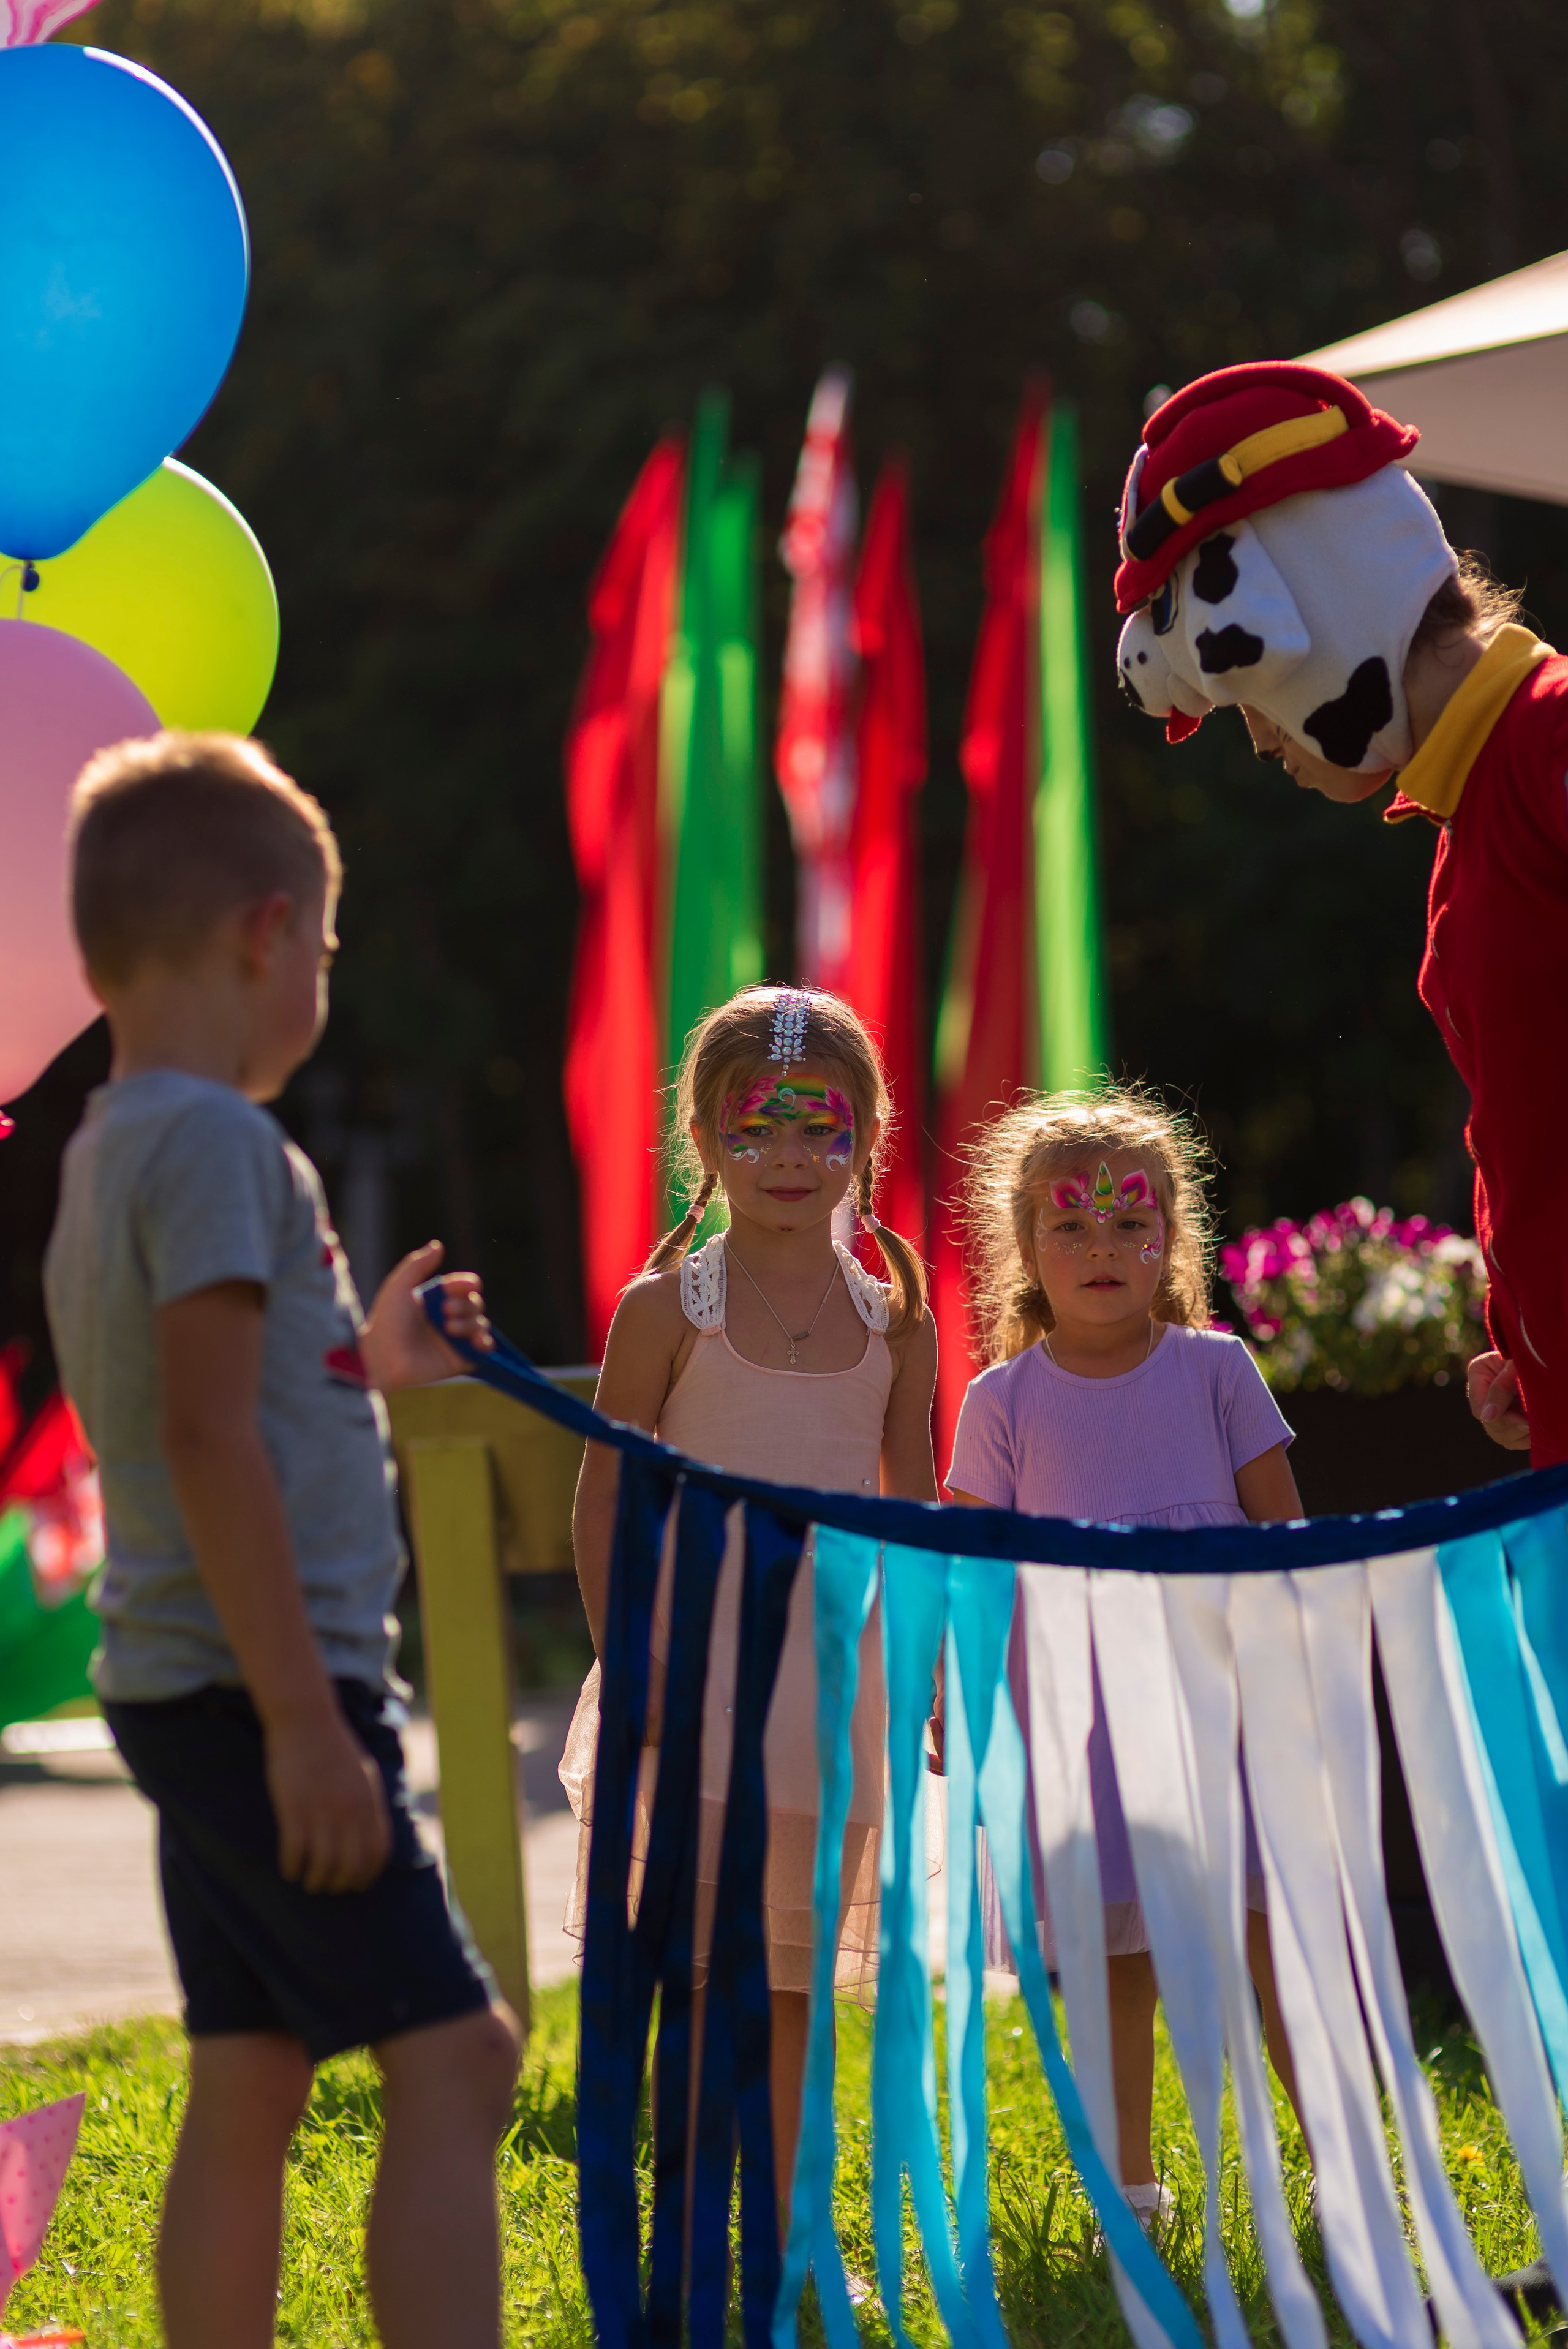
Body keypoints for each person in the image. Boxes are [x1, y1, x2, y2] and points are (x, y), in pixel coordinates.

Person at [42, 732, 521, 2349]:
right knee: (460, 2056)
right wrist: (308, 1726)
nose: (320, 974)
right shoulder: (220, 1142)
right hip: (264, 1695)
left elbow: (211, 1396)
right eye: (322, 945)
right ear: (266, 934)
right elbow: (200, 1434)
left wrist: (365, 1365)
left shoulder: (115, 1143)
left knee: (248, 2071)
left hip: (195, 1684)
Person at [1111, 359, 1568, 1466]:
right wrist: (1534, 1347)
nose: (1260, 740)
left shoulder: (1552, 738)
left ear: (1325, 604)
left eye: (1244, 690)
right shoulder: (1478, 810)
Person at [564, 984, 938, 2214]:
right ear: (704, 1138)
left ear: (865, 1140)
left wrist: (926, 1674)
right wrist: (631, 1661)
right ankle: (687, 2222)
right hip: (699, 1671)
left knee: (794, 1973)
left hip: (833, 1689)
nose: (787, 1157)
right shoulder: (665, 1311)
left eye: (820, 1129)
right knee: (695, 1964)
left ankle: (784, 2224)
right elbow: (604, 1501)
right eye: (756, 1126)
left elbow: (913, 1516)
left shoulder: (898, 1322)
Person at [946, 1084, 1303, 2224]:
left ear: (1171, 1239)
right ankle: (1133, 2188)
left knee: (1270, 1929)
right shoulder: (1000, 1401)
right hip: (1078, 1716)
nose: (1102, 1247)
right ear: (1024, 1246)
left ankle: (1339, 2155)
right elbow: (973, 1568)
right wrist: (957, 1692)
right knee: (1113, 1952)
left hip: (1218, 1701)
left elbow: (1287, 1542)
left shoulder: (1218, 1372)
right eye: (1071, 1224)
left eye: (1129, 1222)